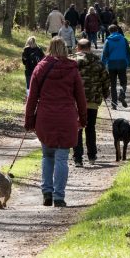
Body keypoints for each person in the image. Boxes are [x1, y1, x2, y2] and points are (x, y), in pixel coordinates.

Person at [25, 37, 87, 207]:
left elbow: (32, 98)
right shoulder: (72, 69)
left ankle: (47, 191)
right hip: (67, 117)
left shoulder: (40, 68)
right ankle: (59, 196)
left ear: (49, 48)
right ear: (65, 50)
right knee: (61, 158)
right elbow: (81, 98)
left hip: (45, 118)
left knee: (47, 155)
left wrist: (29, 120)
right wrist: (82, 119)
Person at [73, 38, 110, 167]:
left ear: (78, 48)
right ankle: (92, 156)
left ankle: (77, 158)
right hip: (92, 100)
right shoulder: (97, 62)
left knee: (77, 128)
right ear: (89, 48)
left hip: (75, 102)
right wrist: (105, 93)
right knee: (90, 128)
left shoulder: (71, 62)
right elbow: (105, 79)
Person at [101, 24, 130, 109]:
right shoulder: (124, 39)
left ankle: (114, 104)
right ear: (117, 30)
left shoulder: (108, 41)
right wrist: (129, 63)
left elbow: (105, 54)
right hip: (122, 63)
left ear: (109, 31)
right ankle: (122, 94)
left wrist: (102, 64)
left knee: (113, 84)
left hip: (111, 64)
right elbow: (128, 52)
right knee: (123, 82)